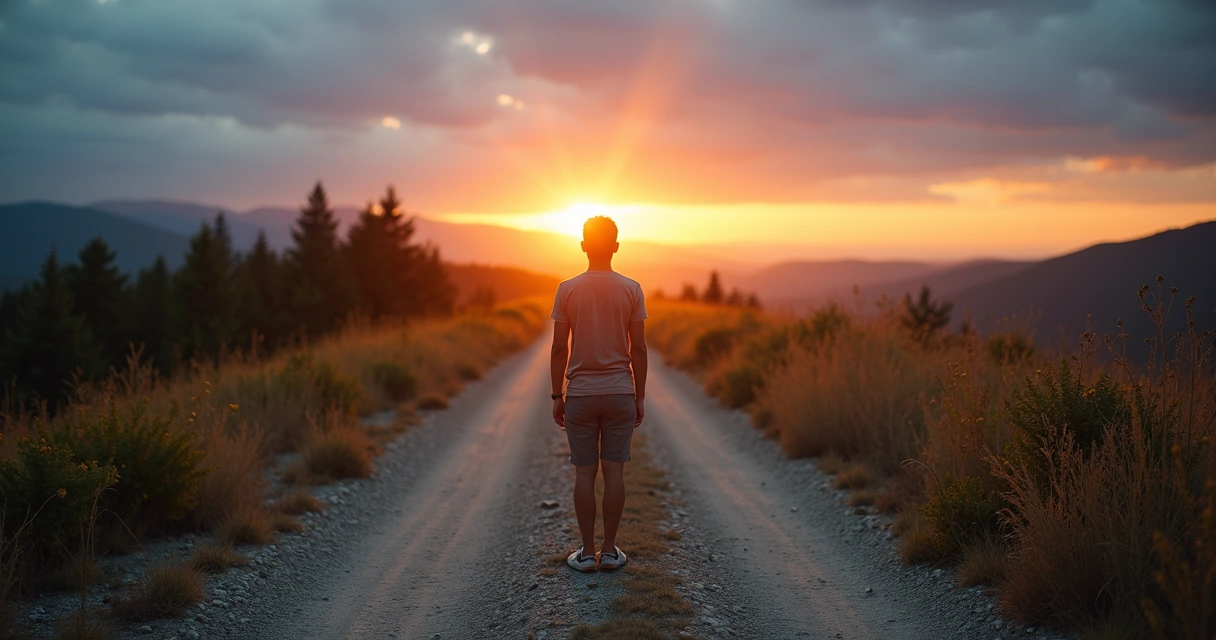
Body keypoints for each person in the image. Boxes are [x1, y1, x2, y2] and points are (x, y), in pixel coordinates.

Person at [550, 216, 647, 573]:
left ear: (583, 245)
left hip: (580, 395)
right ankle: (609, 552)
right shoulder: (631, 288)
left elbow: (559, 348)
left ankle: (586, 552)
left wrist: (556, 396)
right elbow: (639, 348)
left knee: (584, 474)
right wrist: (639, 397)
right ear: (616, 246)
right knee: (615, 473)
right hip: (621, 391)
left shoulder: (567, 289)